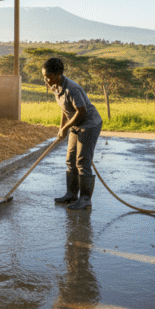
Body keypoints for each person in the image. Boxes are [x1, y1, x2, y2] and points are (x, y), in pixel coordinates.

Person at [43, 57, 103, 209]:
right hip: (75, 125)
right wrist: (61, 128)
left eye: (48, 77)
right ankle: (71, 194)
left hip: (89, 124)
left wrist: (65, 128)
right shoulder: (56, 87)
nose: (46, 80)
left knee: (82, 161)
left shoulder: (72, 88)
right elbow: (65, 109)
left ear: (58, 74)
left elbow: (81, 112)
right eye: (44, 77)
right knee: (71, 159)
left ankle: (85, 199)